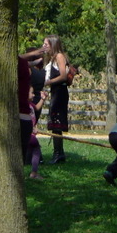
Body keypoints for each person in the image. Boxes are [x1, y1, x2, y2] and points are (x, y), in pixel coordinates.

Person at [42, 35, 70, 164]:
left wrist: (49, 82)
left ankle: (58, 153)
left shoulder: (59, 56)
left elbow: (63, 76)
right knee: (54, 121)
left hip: (60, 92)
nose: (44, 46)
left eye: (46, 44)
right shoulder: (51, 58)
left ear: (53, 45)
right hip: (55, 91)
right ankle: (59, 152)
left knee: (57, 121)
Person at [26, 86, 48, 180]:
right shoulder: (24, 107)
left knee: (31, 149)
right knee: (36, 148)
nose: (34, 95)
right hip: (28, 134)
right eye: (31, 93)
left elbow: (37, 108)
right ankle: (34, 173)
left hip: (30, 133)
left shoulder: (30, 105)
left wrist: (43, 99)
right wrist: (30, 128)